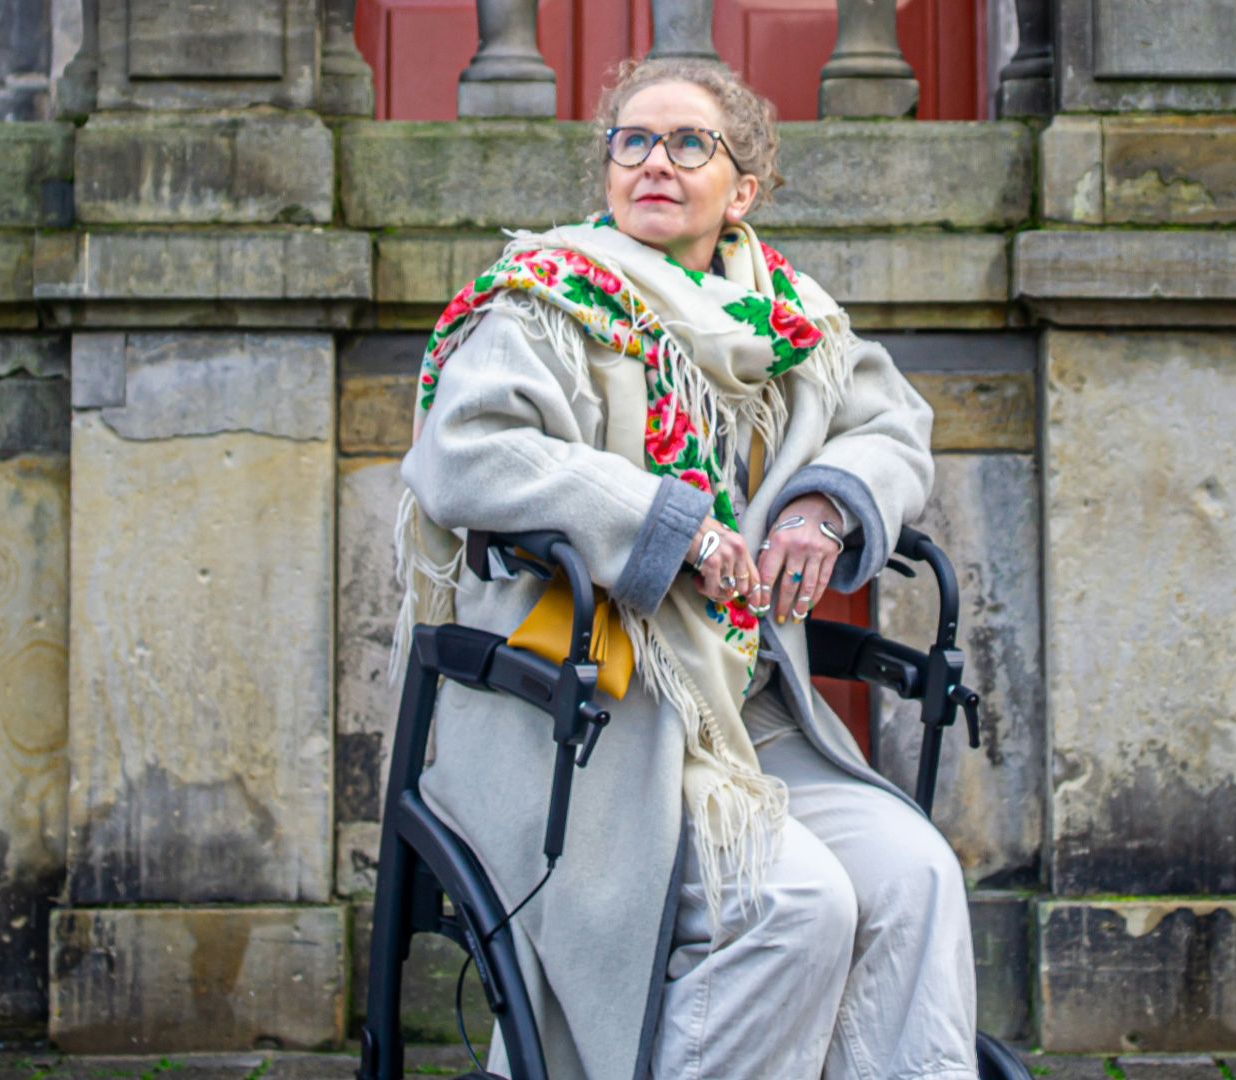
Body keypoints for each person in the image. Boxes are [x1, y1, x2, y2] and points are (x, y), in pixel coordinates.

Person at [393, 56, 977, 1080]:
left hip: (739, 710)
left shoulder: (788, 320)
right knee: (793, 901)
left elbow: (893, 426)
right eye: (633, 141)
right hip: (584, 710)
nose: (654, 162)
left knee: (916, 875)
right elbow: (468, 453)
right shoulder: (541, 303)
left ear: (741, 190)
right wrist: (677, 529)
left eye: (688, 144)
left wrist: (823, 504)